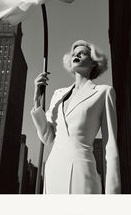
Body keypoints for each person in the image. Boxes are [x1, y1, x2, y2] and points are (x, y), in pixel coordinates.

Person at [31, 40, 121, 194]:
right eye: (74, 54)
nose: (76, 55)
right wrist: (37, 102)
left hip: (82, 172)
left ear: (93, 62)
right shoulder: (58, 94)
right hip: (53, 171)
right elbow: (47, 138)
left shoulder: (104, 92)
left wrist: (113, 197)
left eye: (82, 53)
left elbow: (110, 147)